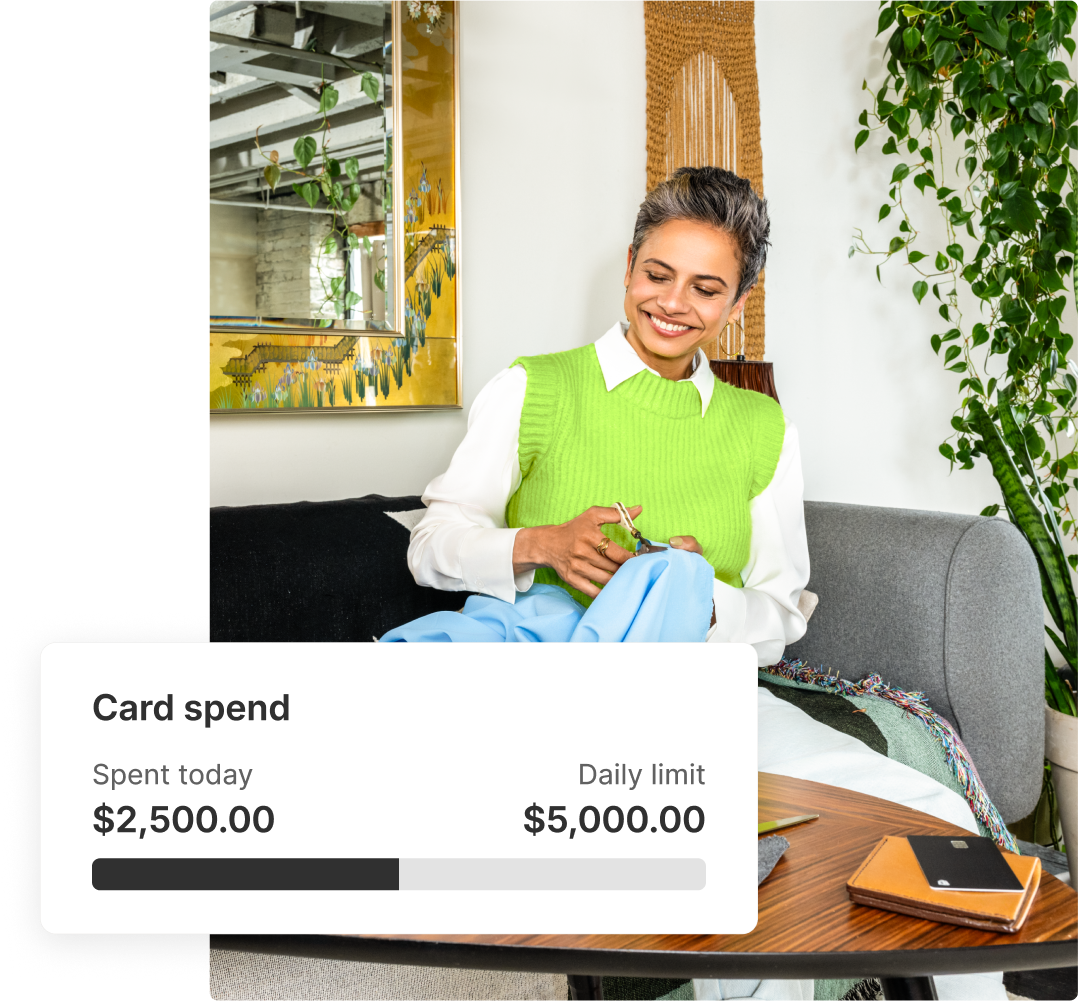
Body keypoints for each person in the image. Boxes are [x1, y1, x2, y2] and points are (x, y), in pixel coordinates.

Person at [388, 167, 1007, 1001]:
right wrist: (542, 544)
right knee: (731, 875)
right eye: (658, 274)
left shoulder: (760, 427)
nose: (673, 303)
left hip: (705, 692)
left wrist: (692, 587)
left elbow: (781, 611)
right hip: (557, 687)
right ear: (630, 267)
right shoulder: (535, 386)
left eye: (706, 286)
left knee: (934, 817)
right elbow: (431, 544)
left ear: (737, 303)